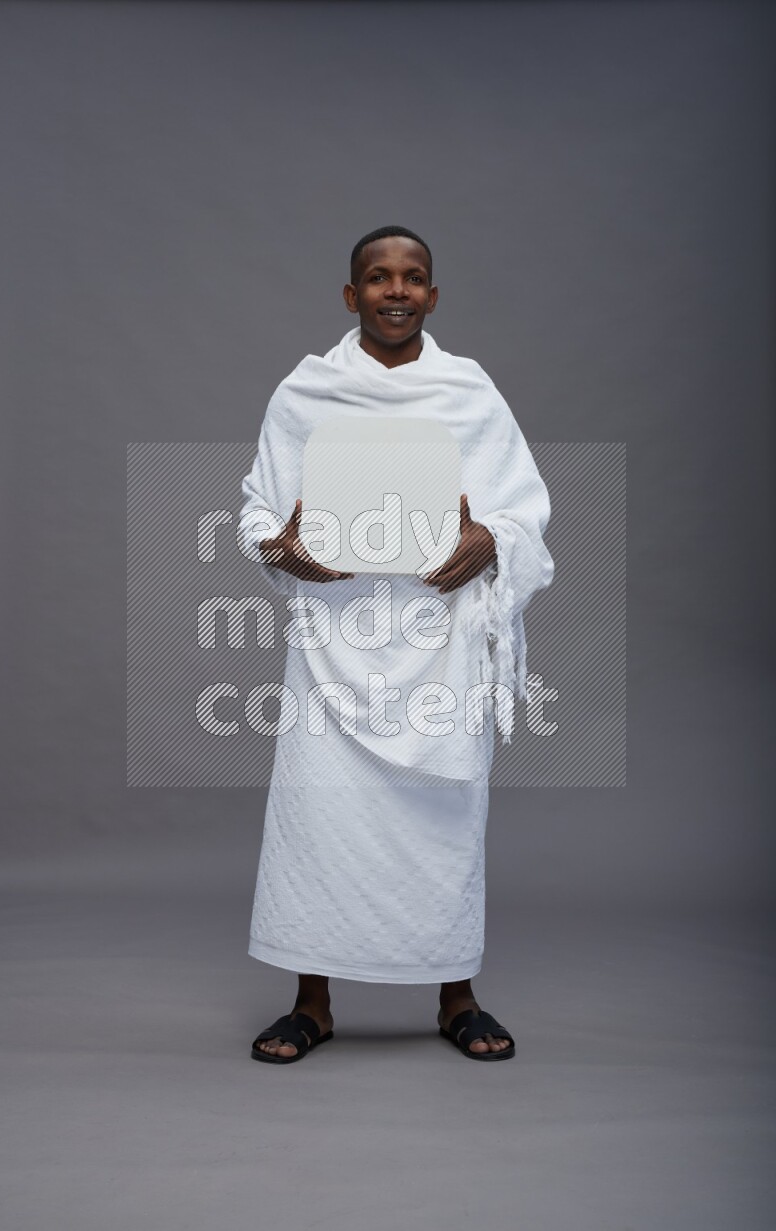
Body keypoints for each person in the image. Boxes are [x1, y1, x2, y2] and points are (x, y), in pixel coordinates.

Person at [238, 226, 554, 1063]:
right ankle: (311, 1003)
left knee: (446, 819)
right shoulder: (306, 393)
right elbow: (258, 511)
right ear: (352, 296)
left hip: (439, 644)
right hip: (333, 642)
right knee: (319, 818)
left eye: (413, 277)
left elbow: (525, 509)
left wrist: (492, 540)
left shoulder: (469, 392)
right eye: (378, 277)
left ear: (433, 295)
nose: (396, 290)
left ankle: (457, 996)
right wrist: (282, 548)